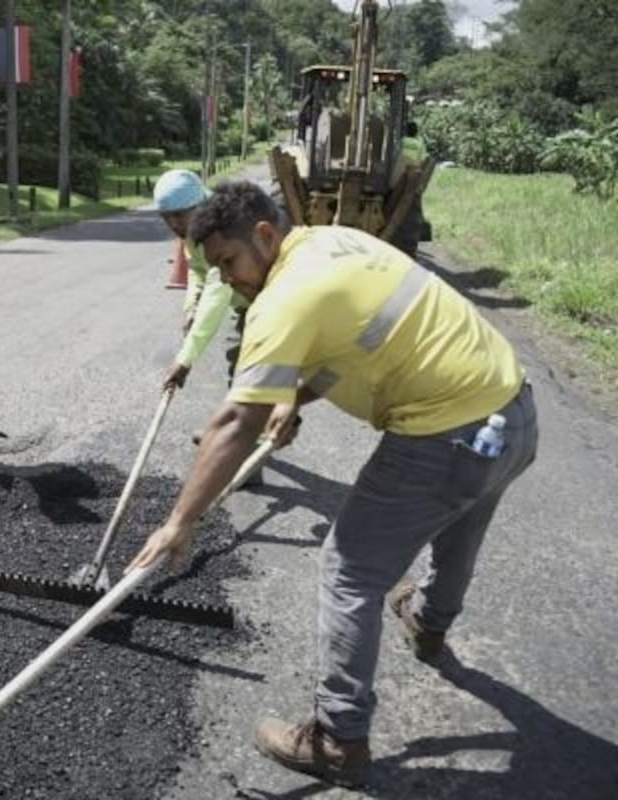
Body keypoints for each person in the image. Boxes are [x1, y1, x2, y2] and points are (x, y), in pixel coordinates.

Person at [128, 180, 538, 787]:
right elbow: (354, 340)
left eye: (231, 262)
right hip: (512, 414)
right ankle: (429, 620)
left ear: (264, 235)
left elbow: (234, 421)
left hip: (444, 436)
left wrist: (178, 523)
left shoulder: (282, 298)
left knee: (349, 572)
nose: (231, 278)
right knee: (460, 522)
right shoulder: (332, 242)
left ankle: (337, 737)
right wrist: (294, 399)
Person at [151, 169, 264, 486]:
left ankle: (245, 459)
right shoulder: (192, 233)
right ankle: (235, 435)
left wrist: (185, 359)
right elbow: (199, 273)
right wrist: (190, 307)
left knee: (251, 376)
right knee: (240, 371)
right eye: (167, 218)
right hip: (247, 304)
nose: (174, 225)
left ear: (199, 206)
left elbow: (218, 290)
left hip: (268, 301)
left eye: (179, 216)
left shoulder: (220, 232)